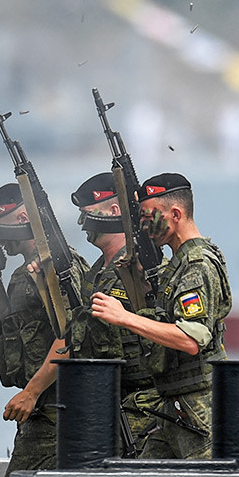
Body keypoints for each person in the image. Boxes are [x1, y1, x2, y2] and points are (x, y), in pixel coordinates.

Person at [91, 172, 231, 460]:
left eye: (149, 216)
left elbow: (192, 339)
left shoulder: (197, 264)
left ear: (176, 214)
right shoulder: (176, 265)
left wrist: (124, 318)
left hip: (200, 409)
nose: (143, 225)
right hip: (173, 407)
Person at [0, 183, 83, 477]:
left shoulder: (52, 267)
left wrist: (31, 392)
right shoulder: (25, 273)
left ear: (22, 219)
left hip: (54, 411)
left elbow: (71, 336)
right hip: (44, 411)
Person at [68, 172, 161, 456]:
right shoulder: (93, 274)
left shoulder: (148, 268)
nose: (83, 224)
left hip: (144, 405)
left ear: (114, 212)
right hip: (103, 402)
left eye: (88, 215)